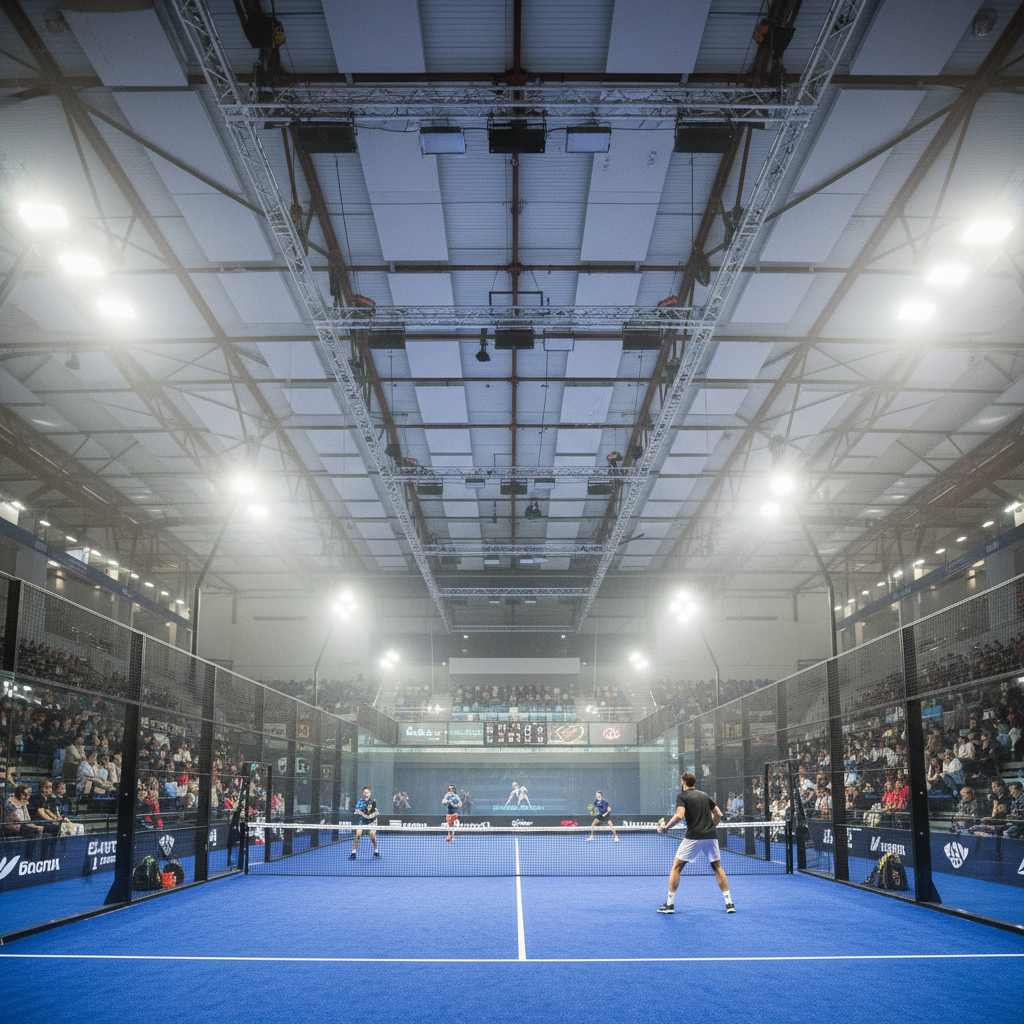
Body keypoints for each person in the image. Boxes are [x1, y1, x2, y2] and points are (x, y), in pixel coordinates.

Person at [656, 771, 735, 914]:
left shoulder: (682, 796)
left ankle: (669, 905)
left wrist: (666, 827)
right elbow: (719, 814)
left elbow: (679, 815)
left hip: (693, 836)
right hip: (710, 836)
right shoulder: (704, 795)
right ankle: (729, 904)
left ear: (682, 781)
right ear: (694, 782)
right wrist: (712, 826)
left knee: (676, 868)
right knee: (717, 867)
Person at [349, 786, 380, 858]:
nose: (366, 794)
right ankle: (353, 853)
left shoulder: (373, 802)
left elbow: (376, 811)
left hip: (372, 820)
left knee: (372, 836)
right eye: (365, 793)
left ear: (370, 794)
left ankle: (376, 851)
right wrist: (359, 812)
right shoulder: (360, 802)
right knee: (358, 835)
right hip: (362, 820)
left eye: (367, 793)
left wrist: (376, 812)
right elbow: (355, 812)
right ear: (363, 793)